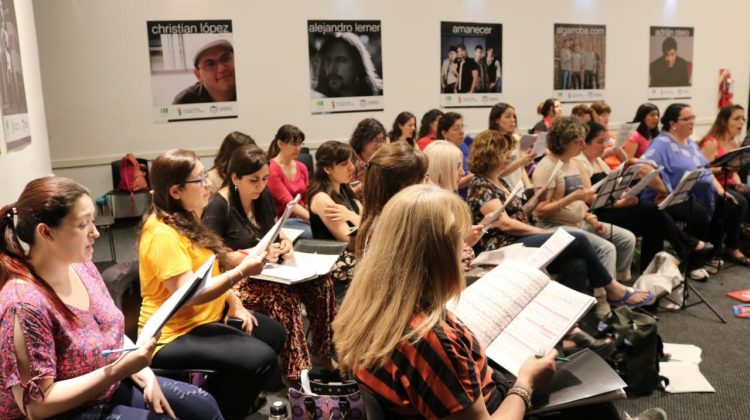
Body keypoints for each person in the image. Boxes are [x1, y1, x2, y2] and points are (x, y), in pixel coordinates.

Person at [334, 184, 626, 419]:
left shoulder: (371, 306)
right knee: (593, 401)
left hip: (477, 395)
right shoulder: (427, 339)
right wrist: (526, 383)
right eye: (458, 243)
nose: (466, 251)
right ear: (435, 257)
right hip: (497, 408)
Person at [0, 176, 223, 419]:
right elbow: (37, 406)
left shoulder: (81, 267)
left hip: (107, 386)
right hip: (64, 412)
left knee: (203, 406)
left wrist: (144, 373)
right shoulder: (24, 305)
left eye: (93, 222)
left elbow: (111, 333)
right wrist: (119, 370)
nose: (95, 233)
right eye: (83, 225)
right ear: (46, 233)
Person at [138, 149, 286, 419]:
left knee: (274, 334)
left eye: (205, 176)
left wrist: (235, 303)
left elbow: (208, 270)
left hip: (206, 317)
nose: (208, 184)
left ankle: (219, 399)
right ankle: (223, 410)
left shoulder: (189, 218)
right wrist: (241, 271)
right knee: (260, 360)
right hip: (171, 334)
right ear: (175, 191)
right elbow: (190, 295)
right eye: (199, 179)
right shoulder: (161, 233)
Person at [467, 130, 650, 306]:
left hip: (518, 238)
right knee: (576, 238)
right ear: (491, 155)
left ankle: (575, 325)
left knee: (576, 265)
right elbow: (505, 224)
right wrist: (541, 231)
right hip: (504, 244)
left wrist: (533, 203)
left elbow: (516, 214)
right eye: (504, 152)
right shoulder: (480, 184)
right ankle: (612, 288)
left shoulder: (499, 180)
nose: (509, 156)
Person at [202, 144, 336, 384]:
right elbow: (214, 259)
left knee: (322, 284)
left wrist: (284, 241)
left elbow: (275, 227)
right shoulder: (218, 206)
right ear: (235, 177)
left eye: (264, 179)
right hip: (234, 279)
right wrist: (254, 253)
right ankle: (295, 372)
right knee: (284, 297)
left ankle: (322, 352)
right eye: (254, 180)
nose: (260, 185)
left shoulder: (261, 196)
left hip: (268, 270)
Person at [576, 122, 712, 271]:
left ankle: (651, 270)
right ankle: (687, 245)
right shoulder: (581, 164)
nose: (604, 146)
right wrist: (622, 203)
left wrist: (625, 192)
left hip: (612, 207)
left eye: (605, 141)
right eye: (599, 142)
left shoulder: (598, 161)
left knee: (654, 220)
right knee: (652, 211)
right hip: (600, 214)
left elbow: (611, 186)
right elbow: (589, 200)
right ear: (585, 143)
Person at [641, 103, 748, 267]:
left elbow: (705, 169)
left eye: (693, 118)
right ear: (673, 123)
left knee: (729, 203)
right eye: (687, 119)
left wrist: (721, 191)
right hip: (670, 197)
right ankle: (693, 262)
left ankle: (713, 252)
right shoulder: (661, 143)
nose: (692, 122)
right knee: (698, 213)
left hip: (694, 193)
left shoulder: (689, 142)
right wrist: (665, 189)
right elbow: (643, 169)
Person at [532, 117, 637, 282]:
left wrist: (592, 219)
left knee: (627, 239)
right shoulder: (547, 166)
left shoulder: (573, 163)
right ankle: (605, 300)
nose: (582, 146)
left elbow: (582, 202)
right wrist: (573, 197)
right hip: (555, 226)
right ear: (564, 142)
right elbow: (541, 211)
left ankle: (617, 284)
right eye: (578, 142)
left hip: (580, 222)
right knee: (607, 249)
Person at [308, 141, 362, 299]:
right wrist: (359, 220)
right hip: (336, 261)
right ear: (327, 169)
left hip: (355, 254)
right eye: (345, 163)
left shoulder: (346, 189)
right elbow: (349, 239)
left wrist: (353, 217)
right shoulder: (322, 198)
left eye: (351, 161)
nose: (352, 167)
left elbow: (366, 223)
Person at [355, 142, 429, 257]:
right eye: (425, 177)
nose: (428, 183)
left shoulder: (377, 222)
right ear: (404, 185)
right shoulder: (396, 232)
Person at [700, 105, 750, 225]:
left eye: (743, 119)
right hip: (713, 186)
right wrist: (723, 169)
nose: (741, 122)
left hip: (729, 183)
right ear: (723, 121)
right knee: (740, 201)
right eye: (737, 118)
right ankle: (731, 241)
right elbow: (703, 171)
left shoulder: (733, 141)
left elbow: (734, 171)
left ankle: (744, 231)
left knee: (747, 192)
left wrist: (737, 182)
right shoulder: (711, 142)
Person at [266, 124, 312, 239]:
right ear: (280, 143)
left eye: (300, 144)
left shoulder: (302, 167)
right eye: (293, 144)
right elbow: (289, 203)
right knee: (314, 232)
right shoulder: (272, 168)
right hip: (283, 220)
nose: (298, 148)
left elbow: (307, 199)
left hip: (302, 217)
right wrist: (316, 221)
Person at [311, 32, 383, 97]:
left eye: (340, 60)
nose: (331, 69)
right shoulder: (319, 99)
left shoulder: (381, 95)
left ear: (358, 65)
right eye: (328, 60)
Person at [173, 39, 236, 104]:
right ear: (198, 75)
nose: (222, 69)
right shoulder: (184, 102)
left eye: (225, 59)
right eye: (210, 64)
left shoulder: (246, 88)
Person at [488, 102, 533, 189]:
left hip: (519, 188)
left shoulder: (516, 138)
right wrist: (520, 162)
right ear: (496, 120)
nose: (513, 120)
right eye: (508, 117)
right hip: (503, 189)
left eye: (514, 117)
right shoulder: (493, 141)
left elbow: (521, 168)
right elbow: (499, 173)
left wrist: (528, 186)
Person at [436, 112, 474, 194]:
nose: (462, 132)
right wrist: (474, 176)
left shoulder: (464, 146)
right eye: (456, 129)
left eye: (462, 127)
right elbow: (448, 184)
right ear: (444, 133)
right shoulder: (442, 153)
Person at [349, 118, 387, 198]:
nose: (379, 145)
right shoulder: (351, 161)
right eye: (375, 140)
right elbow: (347, 192)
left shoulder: (382, 160)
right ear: (362, 140)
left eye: (382, 140)